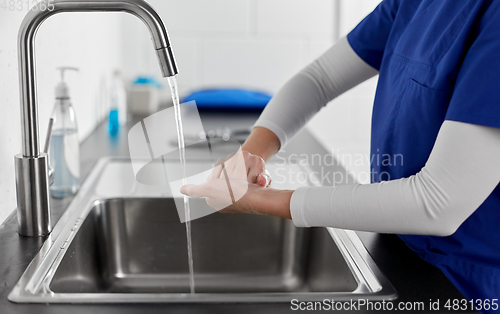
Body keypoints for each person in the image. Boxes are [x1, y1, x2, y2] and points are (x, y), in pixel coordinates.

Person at [181, 0, 500, 308]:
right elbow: (320, 78)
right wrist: (249, 155)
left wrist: (261, 201)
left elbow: (438, 203)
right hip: (398, 245)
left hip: (469, 285)